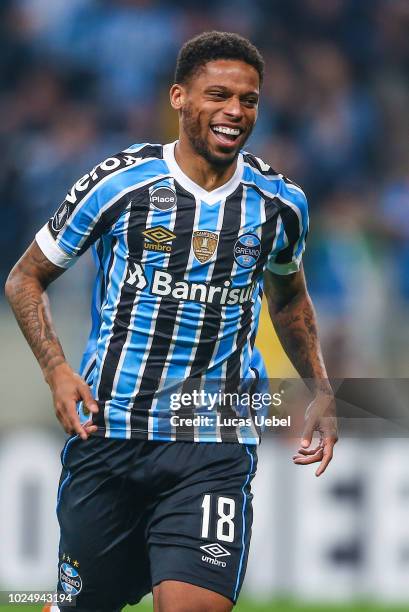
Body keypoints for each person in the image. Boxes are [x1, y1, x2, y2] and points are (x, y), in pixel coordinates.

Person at [5, 31, 337, 612]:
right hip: (110, 433)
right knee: (81, 604)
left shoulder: (279, 204)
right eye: (219, 95)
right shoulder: (119, 183)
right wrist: (57, 371)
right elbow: (25, 278)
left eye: (249, 99)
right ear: (179, 97)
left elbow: (288, 300)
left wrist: (321, 389)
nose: (235, 111)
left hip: (213, 442)